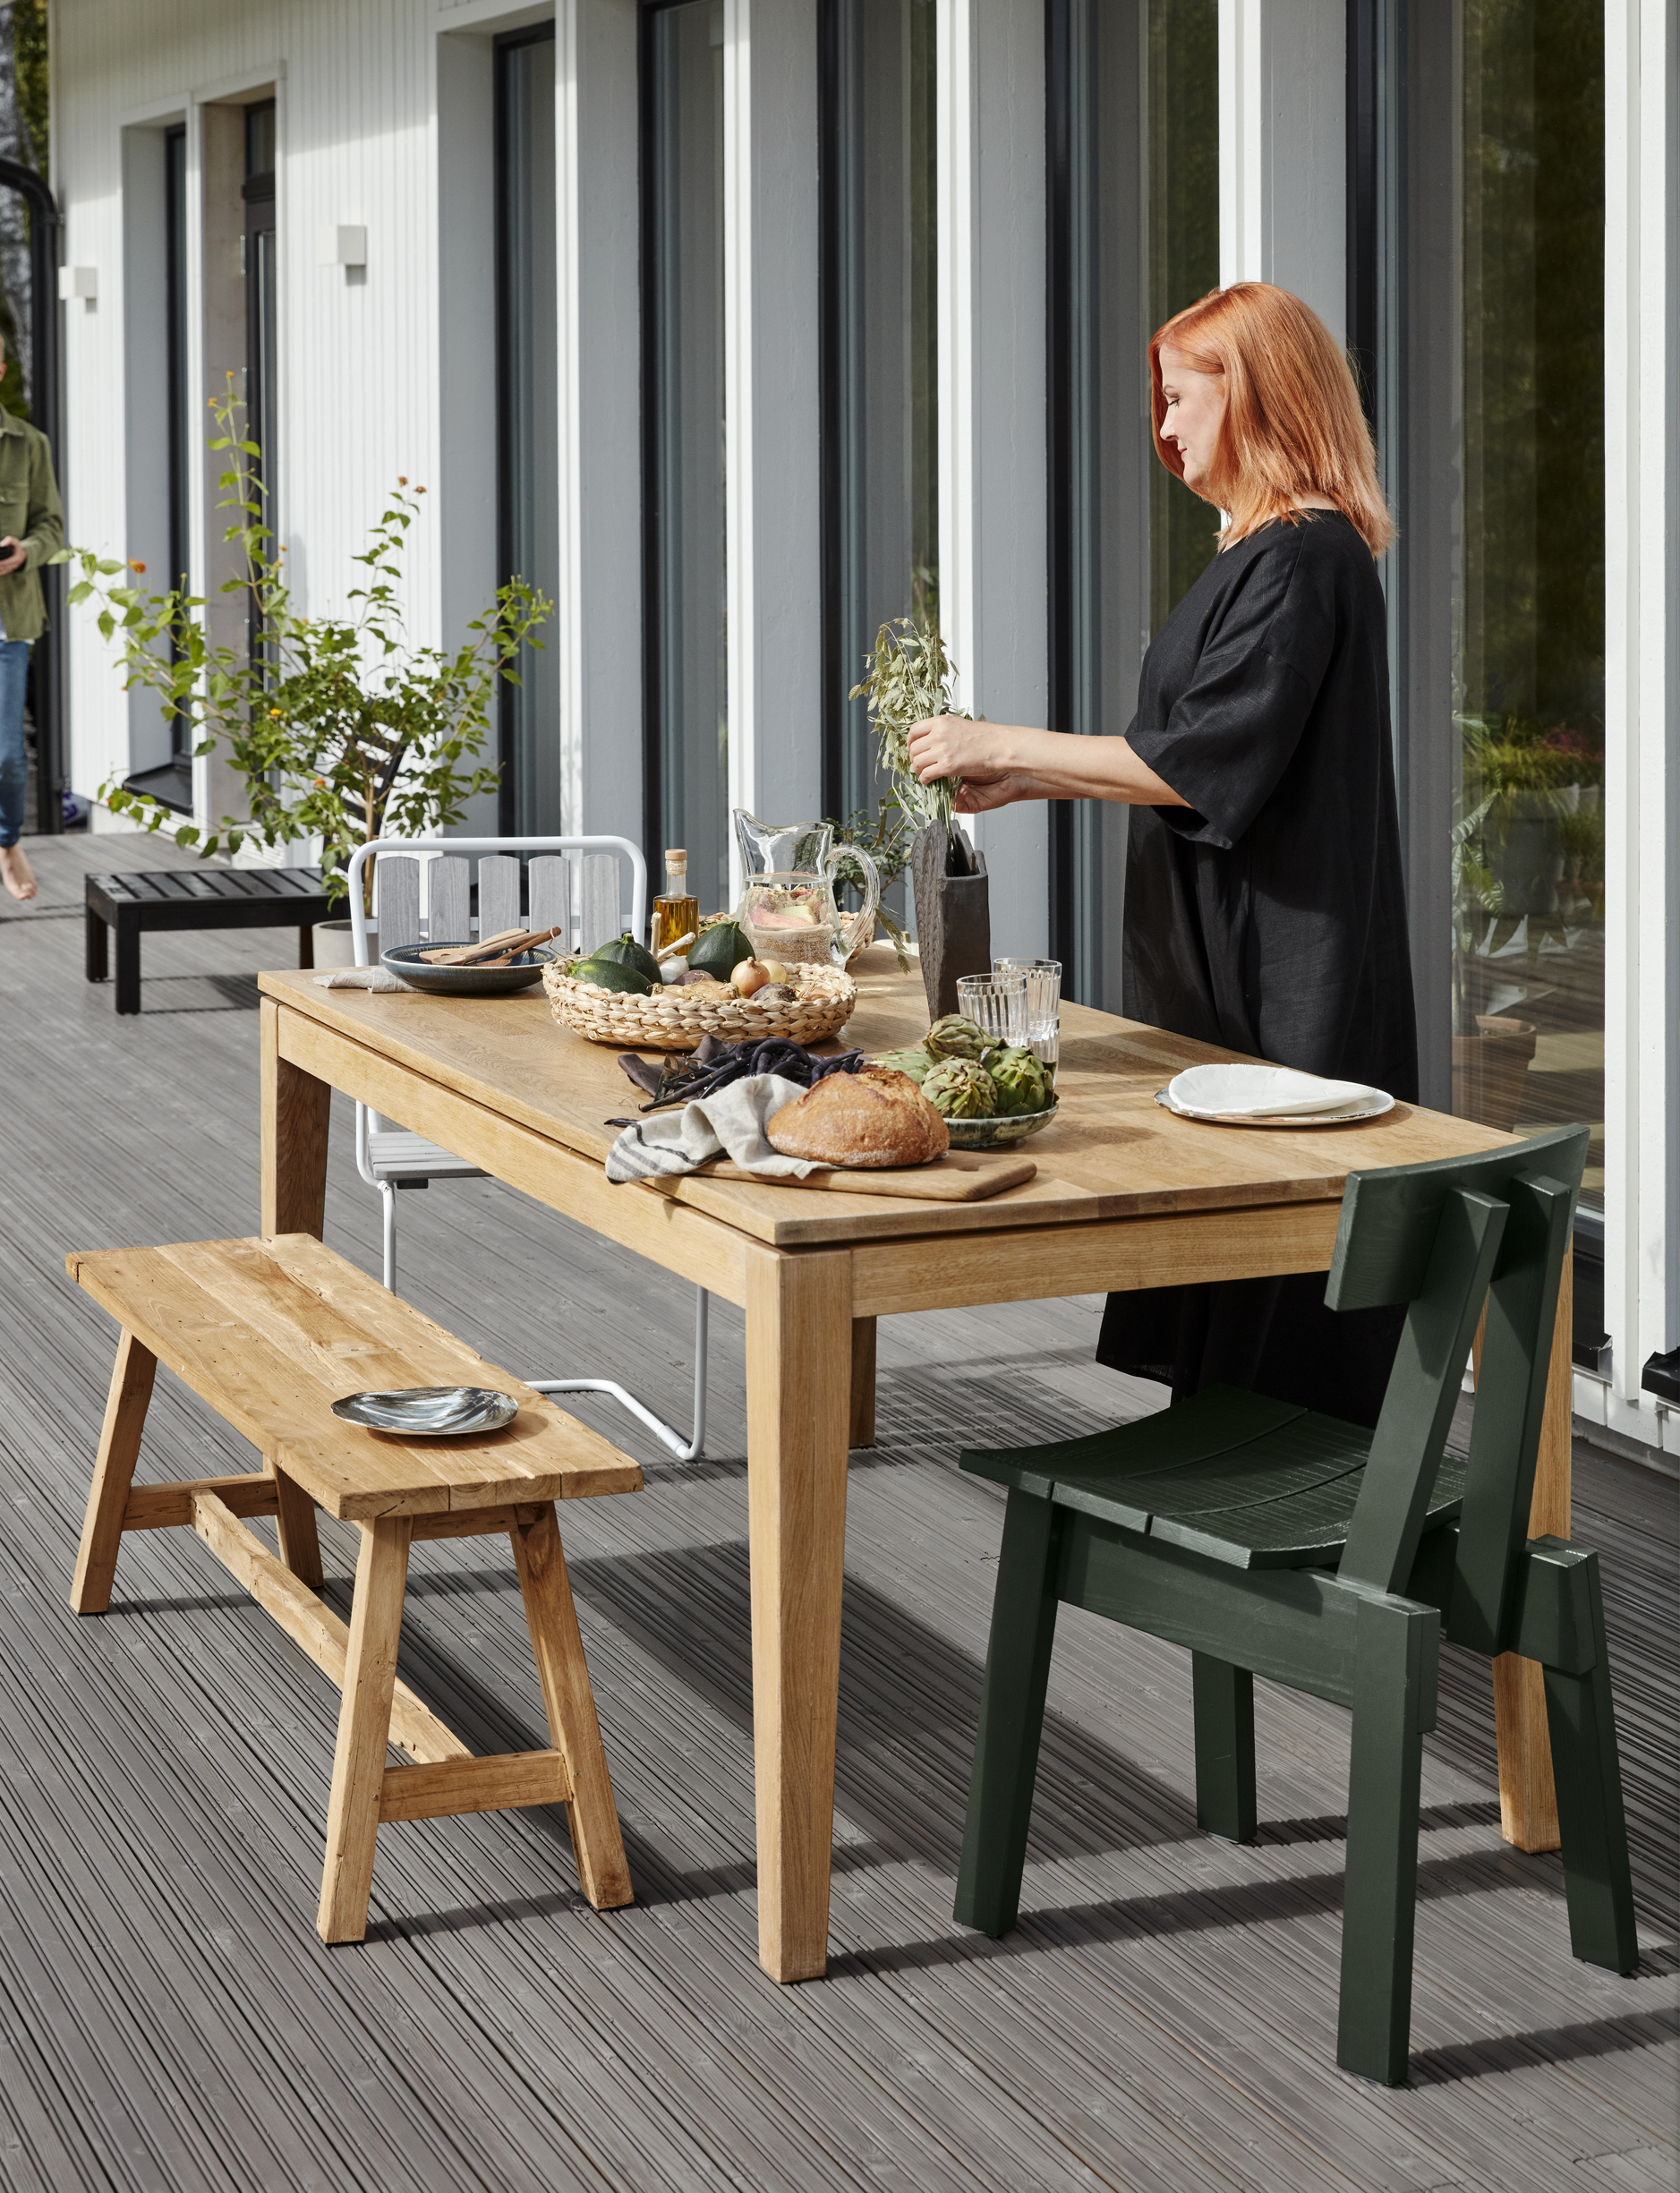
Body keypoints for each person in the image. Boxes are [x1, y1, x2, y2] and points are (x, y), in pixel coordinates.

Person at [907, 281, 1418, 1428]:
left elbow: (1200, 764)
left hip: (1282, 985)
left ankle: (1279, 1518)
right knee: (1231, 1279)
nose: (1164, 428)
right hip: (1231, 968)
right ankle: (1240, 1490)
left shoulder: (1300, 556)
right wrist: (1025, 777)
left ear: (1257, 393)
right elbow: (1192, 754)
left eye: (1180, 398)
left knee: (1278, 1293)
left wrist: (1005, 739)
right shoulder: (1264, 555)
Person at [0, 330, 65, 902]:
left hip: (8, 622)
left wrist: (25, 552)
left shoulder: (28, 444)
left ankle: (6, 839)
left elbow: (53, 527)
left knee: (7, 757)